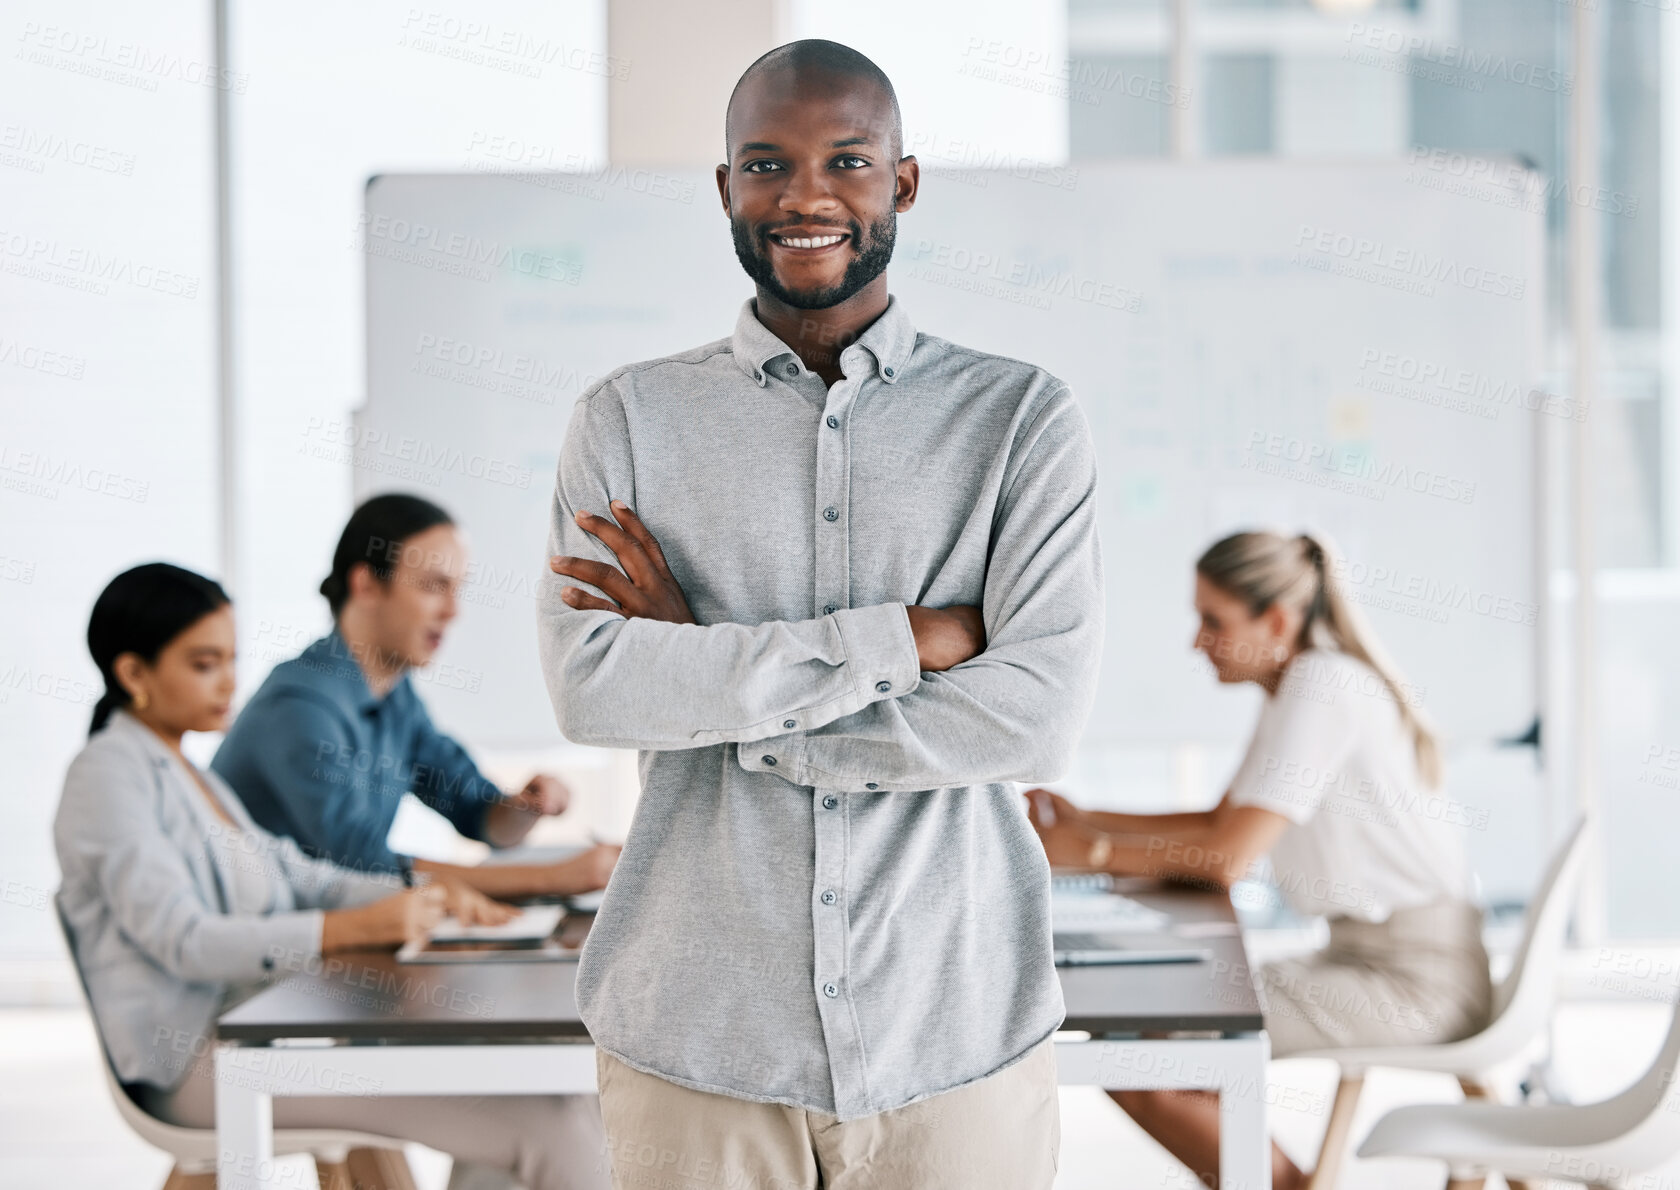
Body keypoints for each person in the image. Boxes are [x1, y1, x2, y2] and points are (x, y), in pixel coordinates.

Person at [538, 40, 1103, 1190]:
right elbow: (595, 689)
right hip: (697, 1034)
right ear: (726, 190)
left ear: (902, 181)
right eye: (766, 164)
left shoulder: (1020, 421)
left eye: (847, 159)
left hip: (956, 1031)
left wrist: (709, 672)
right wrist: (900, 642)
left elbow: (1031, 718)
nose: (805, 195)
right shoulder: (628, 421)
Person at [54, 562, 610, 1190]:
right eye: (204, 663)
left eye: (232, 659)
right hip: (199, 1063)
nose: (230, 682)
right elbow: (186, 940)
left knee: (557, 1104)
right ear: (133, 673)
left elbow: (304, 878)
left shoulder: (192, 775)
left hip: (265, 1033)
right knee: (551, 1125)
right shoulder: (106, 778)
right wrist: (348, 929)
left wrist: (426, 898)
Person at [1025, 530, 1492, 1190]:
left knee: (1145, 1053)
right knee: (1152, 1042)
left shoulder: (1322, 688)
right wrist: (1088, 821)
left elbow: (1224, 858)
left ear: (1277, 621)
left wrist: (1092, 851)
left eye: (1213, 621)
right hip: (1374, 959)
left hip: (1414, 982)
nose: (1197, 641)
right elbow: (1221, 822)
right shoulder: (1301, 683)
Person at [214, 493, 618, 899]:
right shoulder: (296, 708)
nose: (452, 612)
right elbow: (364, 865)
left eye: (457, 589)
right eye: (433, 586)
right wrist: (552, 877)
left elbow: (478, 815)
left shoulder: (395, 696)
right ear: (366, 584)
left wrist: (525, 807)